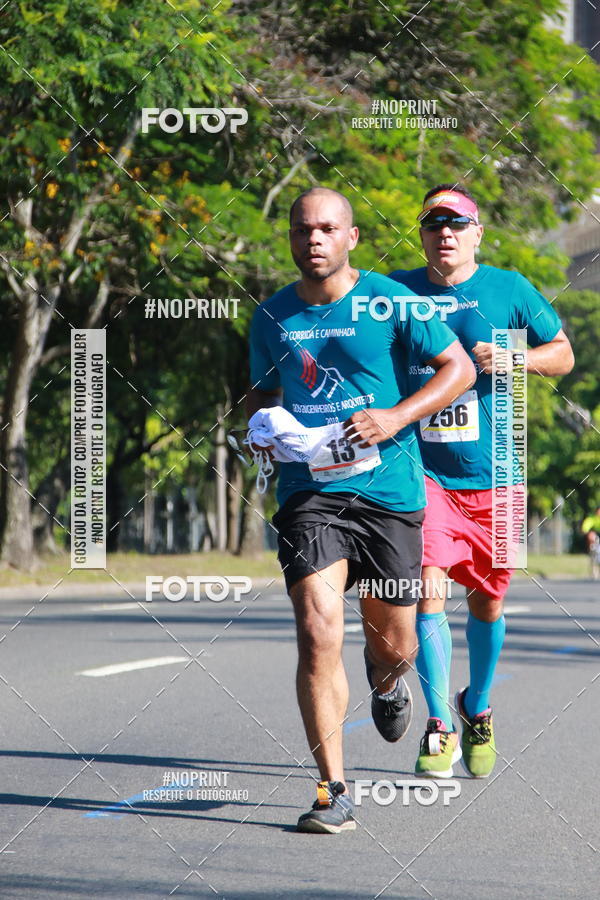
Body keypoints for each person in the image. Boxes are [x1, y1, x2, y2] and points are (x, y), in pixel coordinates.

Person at [247, 186, 475, 833]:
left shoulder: (388, 301)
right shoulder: (271, 317)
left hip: (390, 495)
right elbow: (261, 396)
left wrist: (396, 416)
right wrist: (262, 428)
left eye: (326, 229)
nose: (313, 239)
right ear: (290, 238)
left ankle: (386, 683)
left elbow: (454, 368)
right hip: (309, 494)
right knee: (319, 631)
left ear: (350, 238)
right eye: (302, 230)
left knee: (394, 644)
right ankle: (332, 791)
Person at [390, 183, 574, 779]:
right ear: (421, 234)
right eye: (433, 222)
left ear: (477, 233)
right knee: (428, 590)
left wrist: (514, 358)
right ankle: (440, 724)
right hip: (424, 471)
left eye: (456, 222)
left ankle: (479, 704)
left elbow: (563, 354)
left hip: (499, 470)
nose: (445, 232)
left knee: (488, 602)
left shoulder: (510, 289)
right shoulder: (395, 293)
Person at [582, 506, 600, 580]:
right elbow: (585, 529)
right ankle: (594, 571)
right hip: (596, 540)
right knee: (591, 535)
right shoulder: (591, 519)